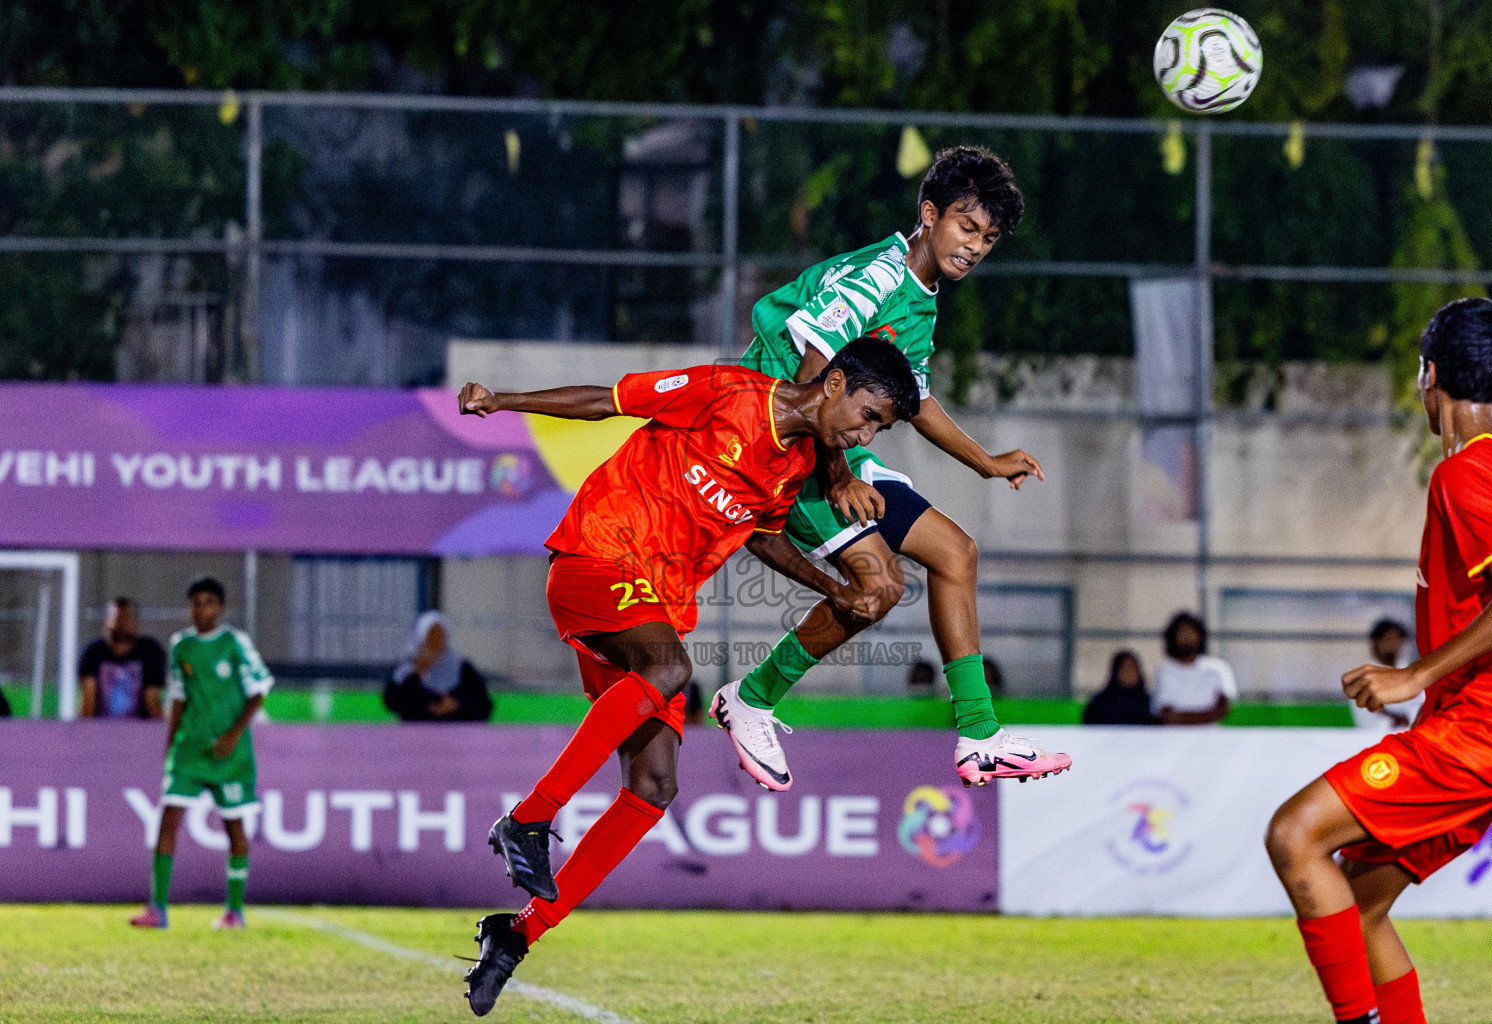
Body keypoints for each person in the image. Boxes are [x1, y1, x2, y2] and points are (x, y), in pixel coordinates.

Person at [454, 337, 922, 1015]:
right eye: (868, 414)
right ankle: (528, 820)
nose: (865, 431)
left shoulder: (792, 465)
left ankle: (516, 934)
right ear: (835, 383)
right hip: (597, 556)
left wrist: (829, 585)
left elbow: (761, 536)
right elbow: (607, 402)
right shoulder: (727, 392)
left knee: (655, 785)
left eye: (879, 426)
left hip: (653, 607)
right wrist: (504, 400)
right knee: (671, 668)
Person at [711, 145, 1071, 791]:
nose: (976, 246)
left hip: (830, 447)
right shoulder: (878, 277)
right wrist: (838, 474)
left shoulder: (922, 297)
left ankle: (980, 737)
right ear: (929, 214)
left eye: (988, 237)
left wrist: (985, 463)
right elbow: (812, 374)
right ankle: (754, 699)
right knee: (877, 589)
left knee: (956, 554)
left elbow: (917, 399)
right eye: (966, 226)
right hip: (777, 445)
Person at [1265, 297, 1492, 1024]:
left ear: (1430, 376)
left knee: (1295, 835)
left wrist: (1413, 676)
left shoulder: (1466, 473)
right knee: (1357, 905)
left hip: (1486, 733)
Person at [129, 577, 272, 931]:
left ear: (220, 608)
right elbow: (178, 699)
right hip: (191, 751)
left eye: (208, 602)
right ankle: (158, 908)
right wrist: (170, 748)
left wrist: (233, 735)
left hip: (230, 755)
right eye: (195, 602)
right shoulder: (181, 646)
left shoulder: (234, 642)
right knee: (168, 819)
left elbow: (260, 689)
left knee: (234, 826)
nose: (201, 608)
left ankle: (234, 911)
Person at [383, 611, 493, 722]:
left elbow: (483, 707)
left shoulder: (462, 668)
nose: (435, 640)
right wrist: (416, 674)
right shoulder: (407, 668)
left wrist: (458, 706)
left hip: (456, 735)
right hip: (414, 735)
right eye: (430, 635)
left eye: (439, 635)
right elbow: (392, 703)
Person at [78, 597, 166, 719]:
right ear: (106, 621)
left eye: (126, 618)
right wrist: (83, 732)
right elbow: (88, 698)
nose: (121, 624)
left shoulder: (150, 650)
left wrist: (160, 732)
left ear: (136, 622)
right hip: (100, 729)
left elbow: (152, 697)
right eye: (116, 618)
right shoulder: (93, 652)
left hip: (140, 730)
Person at [1151, 612, 1236, 725]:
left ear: (1200, 636)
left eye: (1191, 632)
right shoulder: (1164, 670)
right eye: (1182, 632)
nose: (1187, 636)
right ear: (1173, 637)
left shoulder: (1218, 668)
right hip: (1173, 739)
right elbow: (1168, 715)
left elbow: (1223, 710)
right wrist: (1206, 715)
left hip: (1211, 737)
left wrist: (1184, 717)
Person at [1351, 619, 1423, 732]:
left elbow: (1419, 707)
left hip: (1411, 736)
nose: (1393, 644)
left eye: (1397, 640)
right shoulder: (1363, 677)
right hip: (1374, 736)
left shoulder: (1412, 674)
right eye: (1388, 639)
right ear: (1376, 642)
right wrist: (1394, 719)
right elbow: (1365, 714)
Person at [1083, 650, 1158, 726]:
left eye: (1133, 667)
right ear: (1116, 672)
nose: (1129, 673)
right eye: (1124, 668)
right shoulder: (1100, 705)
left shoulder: (1150, 705)